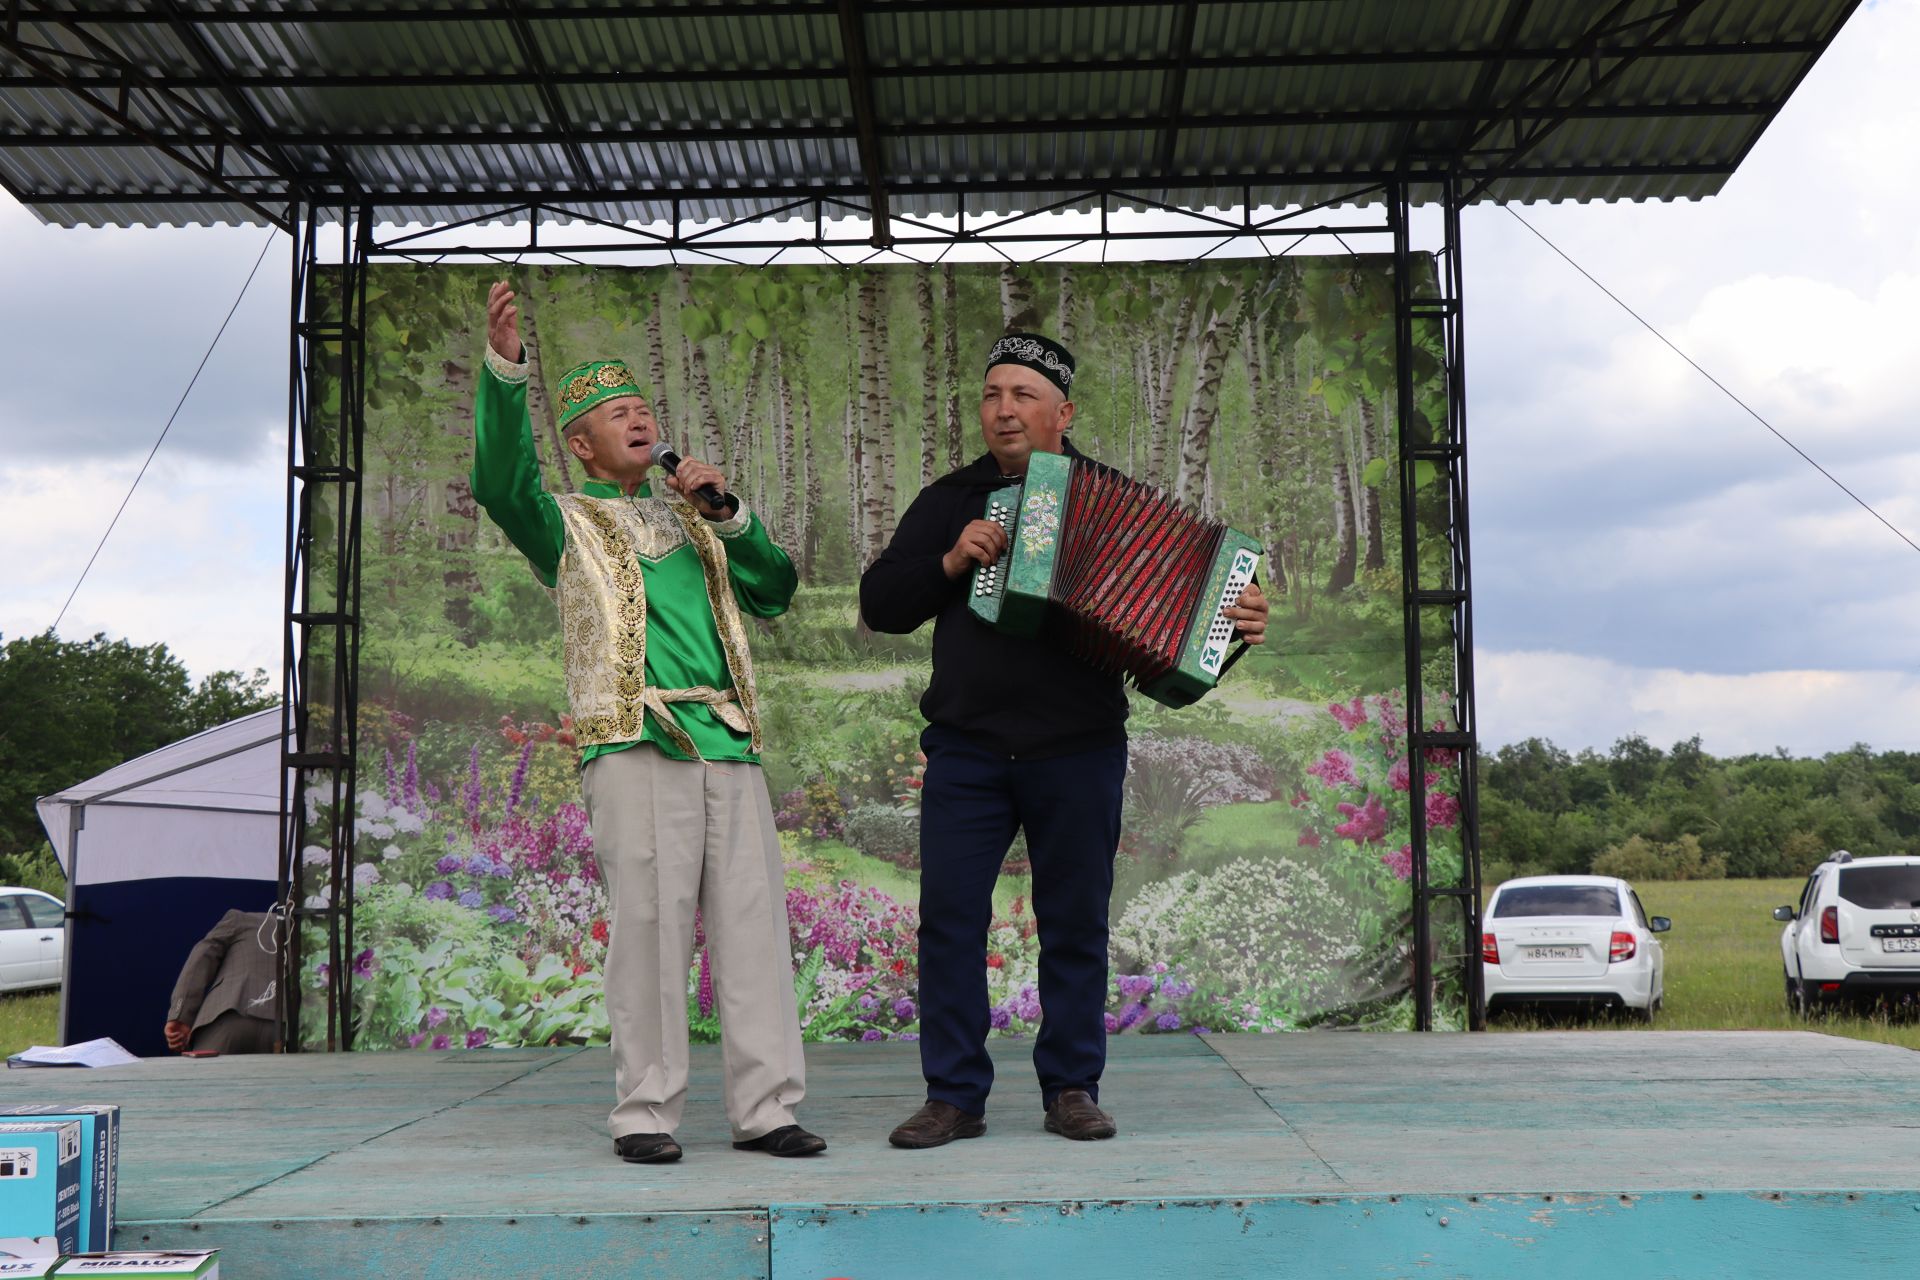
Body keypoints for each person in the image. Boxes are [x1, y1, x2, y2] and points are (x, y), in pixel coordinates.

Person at [859, 332, 1268, 1147]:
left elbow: (1180, 653)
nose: (1004, 409)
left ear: (1063, 412)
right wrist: (950, 560)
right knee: (949, 921)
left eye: (1022, 395)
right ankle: (954, 1097)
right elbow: (881, 602)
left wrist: (1238, 629)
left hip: (1078, 749)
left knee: (1076, 923)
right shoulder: (952, 498)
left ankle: (1072, 1088)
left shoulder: (1117, 499)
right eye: (991, 395)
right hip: (967, 750)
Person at [470, 281, 822, 1164]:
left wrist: (730, 512)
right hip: (635, 741)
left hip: (727, 741)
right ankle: (645, 1115)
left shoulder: (699, 523)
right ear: (581, 444)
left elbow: (776, 589)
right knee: (650, 932)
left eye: (642, 409)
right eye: (613, 414)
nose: (635, 420)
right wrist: (508, 373)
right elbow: (500, 479)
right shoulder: (568, 523)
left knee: (752, 928)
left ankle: (768, 1110)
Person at [164, 909, 280, 1054]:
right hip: (284, 1028)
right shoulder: (309, 931)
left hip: (230, 1015)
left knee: (205, 1075)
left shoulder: (241, 919)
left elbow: (202, 958)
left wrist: (180, 1016)